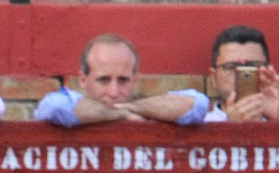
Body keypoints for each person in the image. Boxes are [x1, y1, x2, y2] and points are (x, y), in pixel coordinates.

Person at [35, 34, 209, 127]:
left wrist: (130, 108)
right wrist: (120, 114)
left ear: (135, 80)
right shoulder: (66, 105)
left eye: (123, 81)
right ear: (83, 80)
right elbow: (54, 107)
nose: (114, 92)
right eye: (103, 80)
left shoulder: (142, 110)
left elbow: (198, 105)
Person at [203, 24, 279, 124]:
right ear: (213, 77)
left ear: (269, 71)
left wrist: (278, 121)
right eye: (231, 67)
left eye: (253, 66)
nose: (242, 73)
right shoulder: (200, 126)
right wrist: (231, 129)